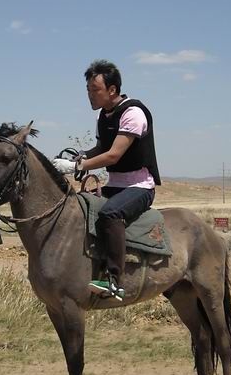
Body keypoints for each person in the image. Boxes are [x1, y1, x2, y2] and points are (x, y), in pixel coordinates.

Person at [57, 59, 161, 299]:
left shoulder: (133, 113)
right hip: (115, 185)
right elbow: (101, 148)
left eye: (95, 90)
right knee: (79, 205)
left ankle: (114, 280)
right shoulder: (102, 116)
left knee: (110, 213)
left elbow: (113, 155)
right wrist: (81, 155)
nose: (90, 96)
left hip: (139, 187)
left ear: (112, 90)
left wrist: (75, 165)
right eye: (88, 91)